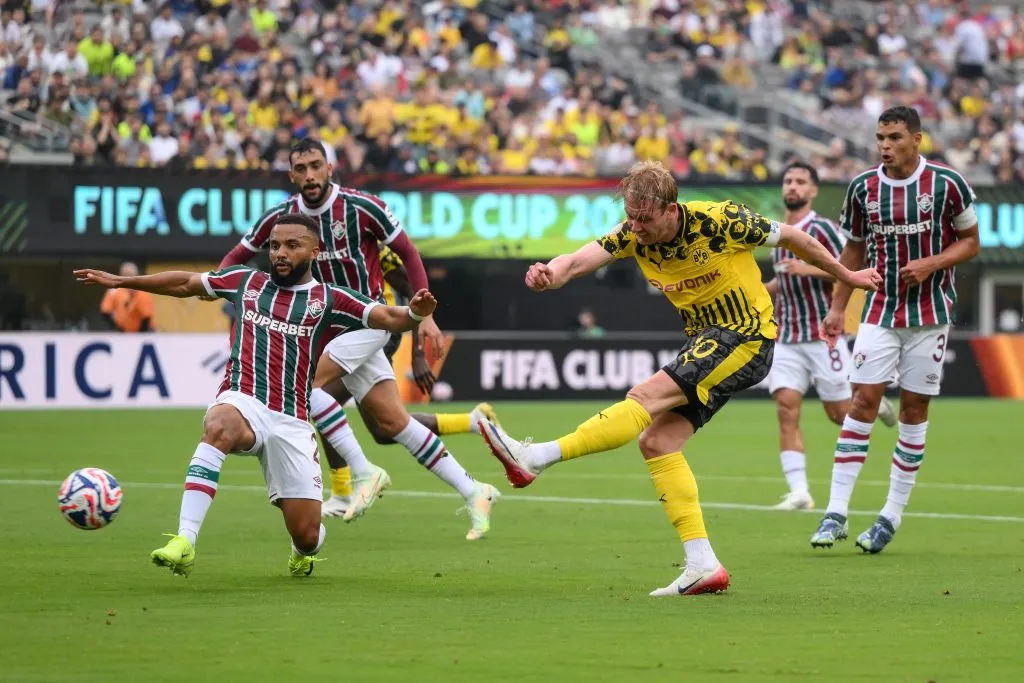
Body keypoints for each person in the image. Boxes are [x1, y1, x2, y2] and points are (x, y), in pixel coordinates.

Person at [480, 162, 881, 596]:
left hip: (747, 338)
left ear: (671, 209)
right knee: (657, 442)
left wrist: (849, 276)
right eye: (630, 218)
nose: (636, 228)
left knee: (645, 395)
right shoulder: (633, 234)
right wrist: (551, 274)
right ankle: (702, 565)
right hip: (708, 341)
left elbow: (795, 239)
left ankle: (535, 457)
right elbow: (577, 260)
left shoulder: (721, 220)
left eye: (644, 220)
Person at [74, 214, 438, 577]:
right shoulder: (245, 281)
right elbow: (186, 282)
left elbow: (389, 317)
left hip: (292, 420)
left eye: (292, 246)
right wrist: (123, 281)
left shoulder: (329, 298)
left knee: (308, 533)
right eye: (275, 245)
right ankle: (185, 540)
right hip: (243, 399)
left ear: (315, 250)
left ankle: (302, 552)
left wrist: (414, 313)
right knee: (219, 425)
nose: (280, 253)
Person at [216, 139, 499, 539]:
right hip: (324, 333)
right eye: (301, 168)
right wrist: (233, 297)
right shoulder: (279, 220)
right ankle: (475, 490)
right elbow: (231, 263)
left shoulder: (362, 207)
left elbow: (409, 254)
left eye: (316, 165)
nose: (310, 174)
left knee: (301, 386)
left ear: (330, 168)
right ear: (292, 174)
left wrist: (427, 318)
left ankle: (364, 471)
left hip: (368, 323)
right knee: (393, 424)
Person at [810, 106, 980, 553]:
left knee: (912, 411)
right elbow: (852, 252)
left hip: (931, 315)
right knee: (862, 402)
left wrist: (932, 262)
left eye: (895, 137)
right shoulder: (863, 188)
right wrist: (836, 308)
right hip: (880, 312)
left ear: (917, 139)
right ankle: (835, 512)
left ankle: (891, 515)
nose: (885, 145)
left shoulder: (947, 184)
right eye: (880, 137)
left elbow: (971, 242)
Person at [320, 243, 500, 517]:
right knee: (385, 428)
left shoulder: (370, 246)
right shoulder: (312, 244)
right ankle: (471, 429)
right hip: (346, 332)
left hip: (377, 330)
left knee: (320, 397)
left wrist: (417, 354)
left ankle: (345, 490)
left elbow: (417, 296)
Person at [763, 161, 897, 511]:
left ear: (813, 191)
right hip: (786, 336)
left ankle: (872, 400)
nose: (792, 186)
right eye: (788, 180)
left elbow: (850, 267)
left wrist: (805, 266)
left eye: (800, 181)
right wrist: (764, 289)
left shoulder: (821, 228)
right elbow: (786, 278)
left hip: (822, 335)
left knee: (838, 414)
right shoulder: (777, 232)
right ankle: (799, 492)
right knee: (786, 409)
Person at [100, 261, 155, 332]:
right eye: (125, 275)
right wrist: (116, 328)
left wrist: (140, 335)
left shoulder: (142, 291)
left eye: (130, 275)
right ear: (121, 274)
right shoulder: (114, 290)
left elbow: (146, 317)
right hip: (122, 331)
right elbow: (105, 311)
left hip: (143, 331)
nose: (128, 278)